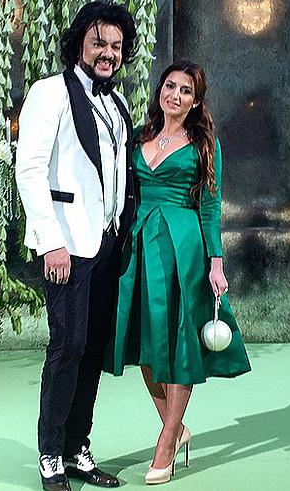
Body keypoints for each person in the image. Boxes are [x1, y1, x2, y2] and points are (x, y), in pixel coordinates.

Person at [107, 60, 251, 485]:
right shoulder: (140, 136)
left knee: (179, 345)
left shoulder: (204, 144)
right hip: (139, 245)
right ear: (160, 90)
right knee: (146, 346)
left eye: (186, 91)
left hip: (183, 248)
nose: (175, 95)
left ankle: (166, 442)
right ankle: (177, 428)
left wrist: (216, 263)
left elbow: (210, 206)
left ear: (196, 101)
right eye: (170, 86)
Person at [15, 1, 137, 491]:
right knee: (68, 347)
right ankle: (50, 454)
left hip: (107, 245)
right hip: (65, 246)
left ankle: (77, 448)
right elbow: (29, 171)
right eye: (98, 43)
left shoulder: (117, 102)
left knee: (92, 351)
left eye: (116, 46)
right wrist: (51, 242)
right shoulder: (49, 93)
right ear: (79, 44)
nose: (108, 53)